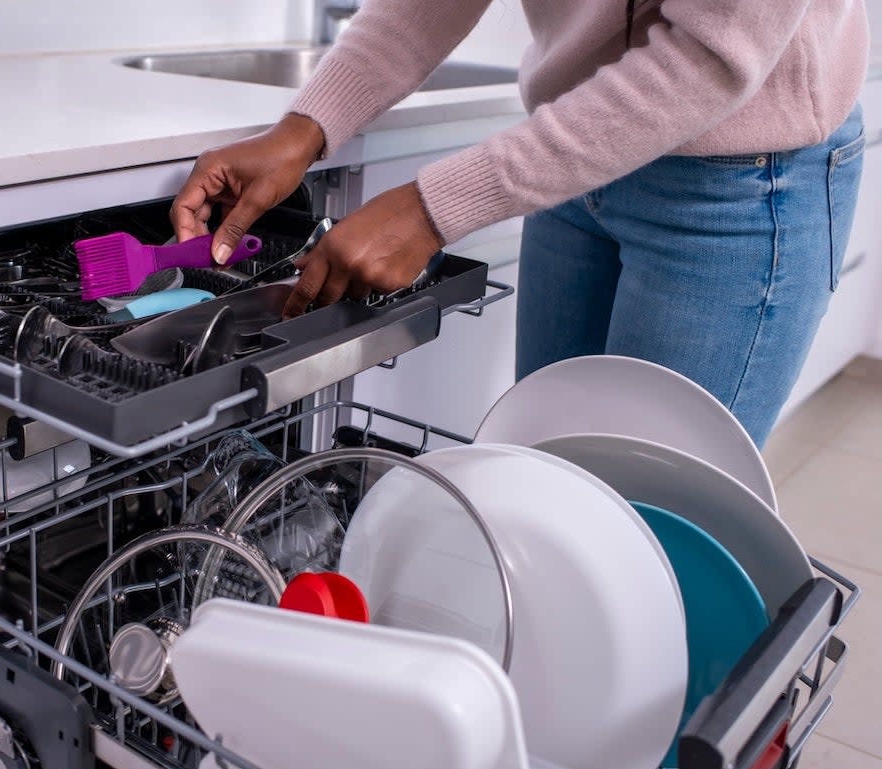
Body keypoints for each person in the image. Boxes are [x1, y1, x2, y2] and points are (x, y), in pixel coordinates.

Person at [170, 0, 870, 448]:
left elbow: (714, 54)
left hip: (739, 182)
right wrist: (306, 126)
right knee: (545, 484)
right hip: (578, 160)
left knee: (655, 546)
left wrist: (430, 206)